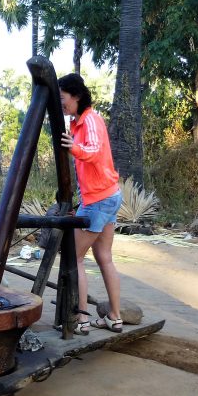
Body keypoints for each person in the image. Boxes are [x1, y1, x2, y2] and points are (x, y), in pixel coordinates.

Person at [58, 73, 123, 334]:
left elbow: (94, 152)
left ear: (76, 97)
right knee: (104, 256)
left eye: (62, 98)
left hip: (99, 201)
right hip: (105, 197)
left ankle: (82, 319)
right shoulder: (77, 123)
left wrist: (74, 148)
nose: (61, 103)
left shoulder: (91, 121)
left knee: (75, 258)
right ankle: (114, 317)